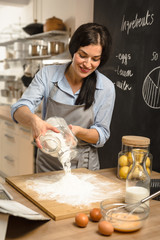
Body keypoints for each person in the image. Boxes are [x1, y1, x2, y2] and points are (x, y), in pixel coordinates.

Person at [11, 22, 115, 172]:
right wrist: (34, 120)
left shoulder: (105, 87)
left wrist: (78, 132)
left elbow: (102, 134)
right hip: (48, 165)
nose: (87, 64)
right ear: (73, 50)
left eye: (95, 59)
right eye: (82, 55)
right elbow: (18, 109)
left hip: (84, 169)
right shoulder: (48, 75)